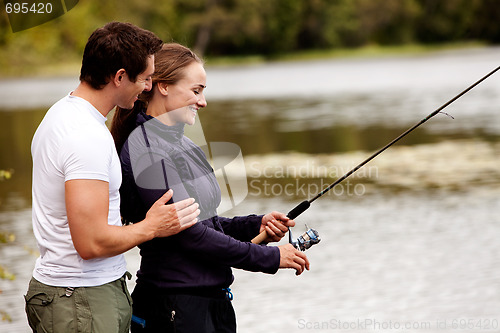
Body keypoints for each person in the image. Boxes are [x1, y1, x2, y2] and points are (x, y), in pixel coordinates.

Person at [111, 43, 310, 333]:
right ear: (163, 87)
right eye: (196, 90)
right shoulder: (148, 148)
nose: (202, 101)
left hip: (211, 304)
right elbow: (190, 235)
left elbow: (209, 222)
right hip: (174, 308)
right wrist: (268, 257)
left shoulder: (183, 143)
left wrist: (256, 225)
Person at [25, 23, 200, 333]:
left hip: (80, 297)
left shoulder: (62, 114)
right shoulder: (85, 136)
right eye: (145, 78)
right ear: (119, 77)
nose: (148, 87)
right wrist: (151, 227)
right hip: (81, 300)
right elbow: (90, 243)